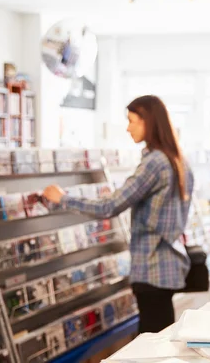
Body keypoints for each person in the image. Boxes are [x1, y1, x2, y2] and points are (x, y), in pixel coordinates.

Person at [43, 95, 194, 334]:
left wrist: (63, 198)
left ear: (149, 123)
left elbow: (109, 206)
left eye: (132, 121)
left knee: (152, 342)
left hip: (151, 269)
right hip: (169, 267)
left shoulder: (155, 163)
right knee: (162, 337)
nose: (127, 127)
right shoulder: (178, 160)